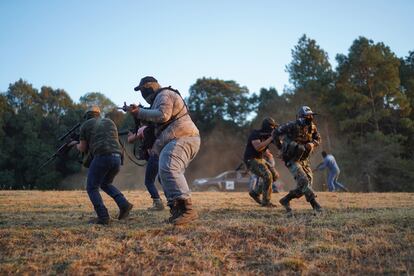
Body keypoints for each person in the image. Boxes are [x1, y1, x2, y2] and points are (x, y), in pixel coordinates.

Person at [128, 76, 200, 225]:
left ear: (149, 86)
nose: (142, 93)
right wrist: (138, 112)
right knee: (163, 175)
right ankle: (178, 210)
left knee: (169, 168)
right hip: (179, 138)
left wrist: (140, 112)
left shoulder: (164, 94)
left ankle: (188, 210)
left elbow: (163, 115)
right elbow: (156, 118)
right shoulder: (159, 99)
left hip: (183, 137)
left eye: (142, 90)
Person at [70, 106, 133, 225]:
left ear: (87, 116)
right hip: (117, 158)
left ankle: (103, 216)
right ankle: (124, 204)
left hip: (102, 157)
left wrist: (75, 144)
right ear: (98, 114)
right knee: (105, 183)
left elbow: (82, 147)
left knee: (92, 187)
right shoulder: (110, 122)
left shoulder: (86, 125)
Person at [274, 106, 322, 215]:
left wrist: (312, 144)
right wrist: (280, 147)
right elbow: (275, 133)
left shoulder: (312, 127)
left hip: (304, 159)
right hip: (291, 159)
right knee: (304, 181)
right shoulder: (291, 126)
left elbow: (318, 139)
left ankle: (286, 199)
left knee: (306, 185)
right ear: (300, 117)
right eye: (307, 116)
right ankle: (315, 205)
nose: (310, 118)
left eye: (311, 116)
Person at [243, 117, 280, 207]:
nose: (273, 128)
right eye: (272, 127)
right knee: (268, 176)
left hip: (260, 159)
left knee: (275, 176)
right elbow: (258, 147)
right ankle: (266, 202)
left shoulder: (268, 135)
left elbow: (279, 144)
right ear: (267, 126)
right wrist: (271, 138)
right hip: (251, 159)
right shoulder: (255, 134)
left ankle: (255, 193)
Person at [127, 127, 165, 210]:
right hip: (163, 155)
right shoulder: (159, 128)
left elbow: (130, 140)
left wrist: (130, 135)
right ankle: (174, 199)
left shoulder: (143, 129)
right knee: (162, 179)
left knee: (149, 182)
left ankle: (158, 203)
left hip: (155, 156)